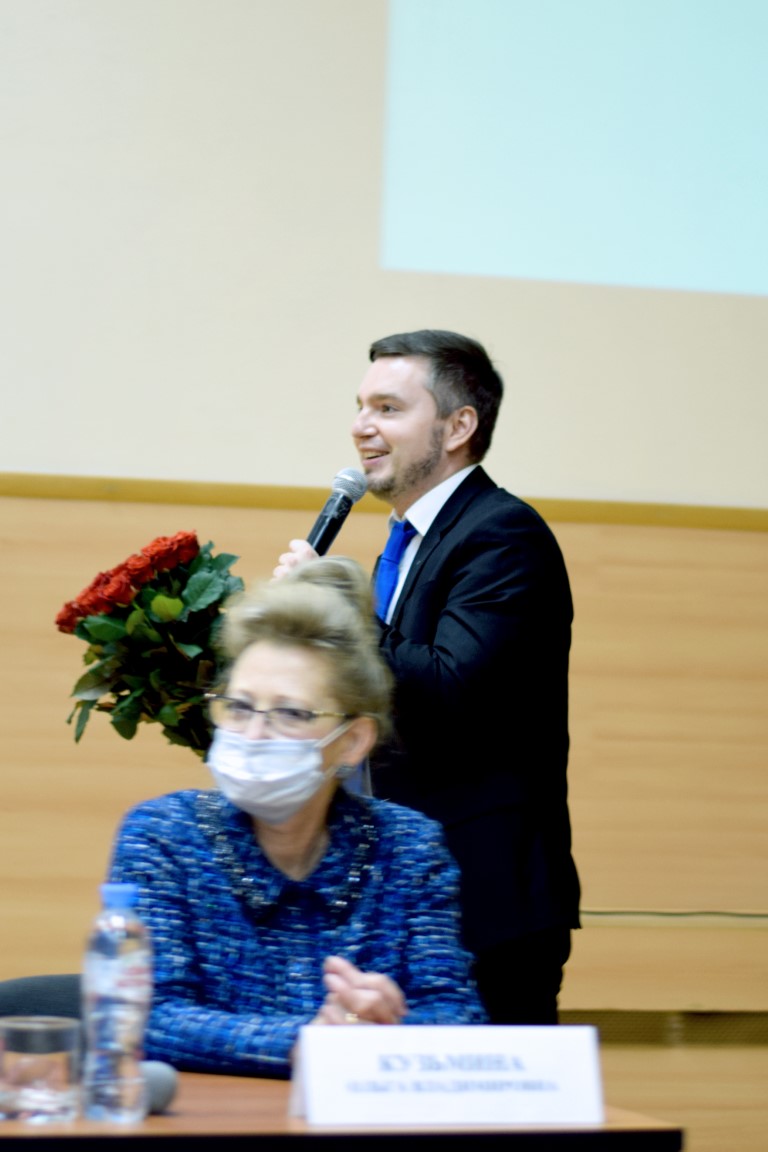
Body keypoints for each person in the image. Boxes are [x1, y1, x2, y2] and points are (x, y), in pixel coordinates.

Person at [275, 329, 581, 1025]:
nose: (361, 426)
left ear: (458, 426)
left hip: (481, 901)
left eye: (387, 408)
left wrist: (338, 612)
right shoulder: (413, 540)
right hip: (402, 891)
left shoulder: (503, 535)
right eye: (360, 407)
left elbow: (450, 691)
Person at [104, 557, 486, 1078]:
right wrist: (309, 1043)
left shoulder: (409, 848)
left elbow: (458, 1020)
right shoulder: (163, 836)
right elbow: (143, 1018)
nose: (253, 735)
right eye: (239, 707)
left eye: (291, 713)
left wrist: (390, 1027)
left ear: (353, 741)